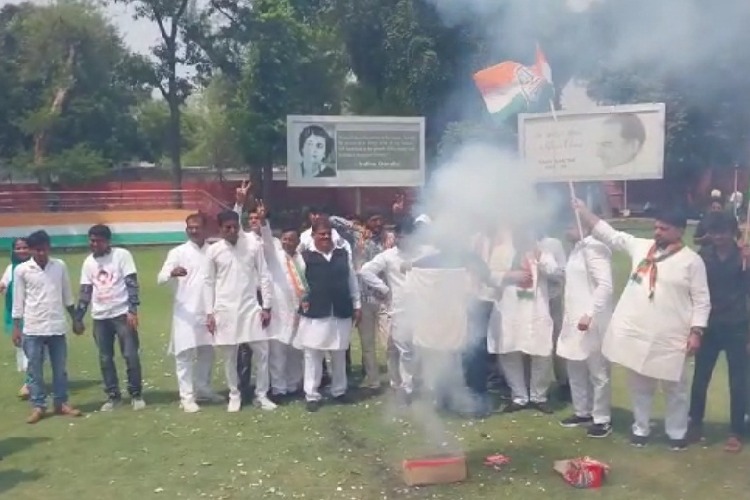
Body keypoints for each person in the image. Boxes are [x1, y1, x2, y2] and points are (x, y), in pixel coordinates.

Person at [573, 199, 711, 450]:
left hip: (671, 334)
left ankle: (676, 433)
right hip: (637, 331)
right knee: (639, 384)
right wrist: (584, 212)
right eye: (656, 227)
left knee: (675, 387)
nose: (657, 232)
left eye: (664, 228)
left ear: (680, 230)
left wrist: (696, 331)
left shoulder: (691, 261)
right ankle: (641, 429)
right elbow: (611, 235)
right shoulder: (642, 247)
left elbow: (702, 300)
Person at [688, 211, 749, 452]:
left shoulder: (744, 258)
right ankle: (695, 423)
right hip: (709, 326)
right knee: (701, 377)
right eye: (714, 232)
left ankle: (735, 430)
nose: (719, 236)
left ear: (733, 232)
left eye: (723, 232)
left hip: (738, 326)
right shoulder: (703, 257)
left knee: (738, 381)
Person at [205, 210, 275, 412]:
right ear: (220, 229)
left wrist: (267, 306)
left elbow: (264, 275)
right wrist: (209, 312)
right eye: (227, 227)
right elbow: (208, 282)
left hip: (251, 308)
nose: (232, 230)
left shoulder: (253, 246)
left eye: (235, 226)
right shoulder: (214, 250)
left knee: (262, 352)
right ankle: (234, 395)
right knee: (229, 355)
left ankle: (261, 395)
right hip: (224, 309)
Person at [489, 227, 562, 414]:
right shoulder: (501, 251)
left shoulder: (542, 252)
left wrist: (540, 257)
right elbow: (488, 275)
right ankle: (519, 396)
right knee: (510, 351)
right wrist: (508, 275)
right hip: (509, 307)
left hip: (536, 308)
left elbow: (556, 272)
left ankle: (539, 396)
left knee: (541, 352)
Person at [12, 230, 82, 423]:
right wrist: (16, 327)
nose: (41, 253)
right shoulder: (22, 270)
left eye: (44, 249)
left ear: (49, 247)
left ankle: (61, 403)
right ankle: (38, 406)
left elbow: (67, 295)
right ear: (32, 250)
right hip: (33, 326)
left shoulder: (59, 266)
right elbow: (18, 300)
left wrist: (75, 318)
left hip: (56, 325)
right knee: (35, 369)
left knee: (60, 368)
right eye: (37, 250)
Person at [157, 213, 223, 413]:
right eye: (190, 227)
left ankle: (203, 388)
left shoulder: (213, 251)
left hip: (209, 310)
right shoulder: (177, 252)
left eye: (197, 227)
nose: (194, 231)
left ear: (205, 229)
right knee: (184, 354)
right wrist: (171, 273)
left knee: (207, 352)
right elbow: (159, 278)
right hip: (185, 312)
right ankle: (186, 397)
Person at [76, 224, 146, 412]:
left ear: (108, 241)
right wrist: (78, 317)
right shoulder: (88, 262)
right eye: (91, 240)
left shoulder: (121, 256)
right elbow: (85, 291)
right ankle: (113, 395)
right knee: (105, 358)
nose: (94, 244)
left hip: (122, 314)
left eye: (98, 240)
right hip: (100, 317)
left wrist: (132, 310)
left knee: (130, 355)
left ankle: (136, 393)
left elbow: (131, 283)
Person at [296, 218, 361, 412]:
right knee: (313, 354)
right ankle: (312, 395)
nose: (325, 236)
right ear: (313, 235)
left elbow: (352, 281)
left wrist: (357, 304)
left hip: (340, 309)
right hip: (315, 312)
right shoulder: (304, 256)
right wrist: (301, 301)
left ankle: (339, 391)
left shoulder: (342, 255)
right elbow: (298, 284)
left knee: (339, 352)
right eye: (321, 233)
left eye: (327, 233)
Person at [556, 220, 614, 438]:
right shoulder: (576, 249)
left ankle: (602, 418)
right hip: (573, 319)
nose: (565, 229)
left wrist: (590, 313)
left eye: (569, 225)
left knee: (598, 371)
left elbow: (605, 285)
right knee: (575, 366)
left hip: (592, 319)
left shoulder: (595, 248)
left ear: (584, 226)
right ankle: (582, 411)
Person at [360, 219, 416, 405]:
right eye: (399, 235)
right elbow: (365, 271)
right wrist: (383, 289)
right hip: (398, 307)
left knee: (408, 349)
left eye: (406, 236)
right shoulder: (388, 255)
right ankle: (401, 386)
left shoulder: (421, 254)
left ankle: (407, 385)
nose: (402, 239)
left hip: (420, 307)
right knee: (398, 349)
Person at [255, 201, 305, 400]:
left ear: (297, 241)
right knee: (277, 353)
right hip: (278, 310)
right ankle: (278, 389)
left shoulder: (302, 259)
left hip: (298, 311)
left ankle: (294, 385)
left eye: (291, 239)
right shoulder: (275, 255)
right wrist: (263, 220)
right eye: (284, 239)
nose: (286, 242)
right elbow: (267, 240)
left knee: (296, 351)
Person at [537, 230, 570, 401]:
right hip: (529, 302)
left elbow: (562, 272)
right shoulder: (516, 243)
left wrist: (546, 270)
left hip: (552, 297)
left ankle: (564, 379)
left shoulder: (553, 244)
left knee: (557, 337)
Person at [1, 237, 32, 399]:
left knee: (33, 349)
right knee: (22, 348)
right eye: (18, 248)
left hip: (35, 314)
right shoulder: (11, 269)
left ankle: (30, 383)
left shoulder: (36, 267)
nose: (21, 251)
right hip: (17, 316)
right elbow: (4, 285)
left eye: (25, 247)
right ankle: (31, 381)